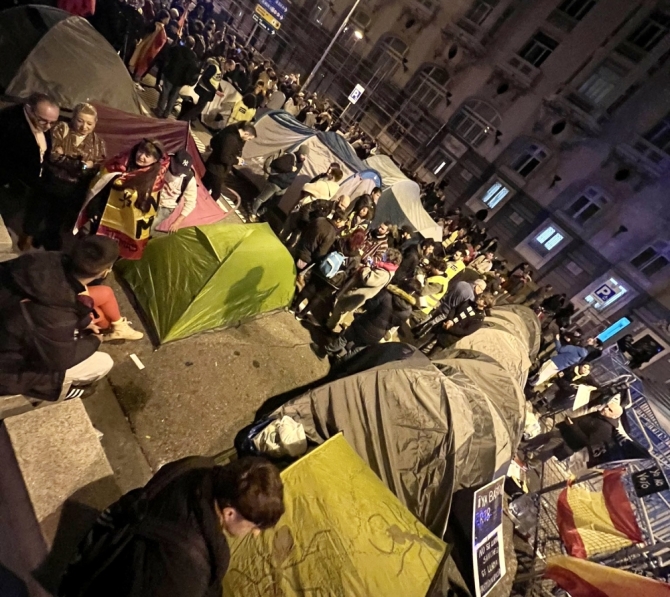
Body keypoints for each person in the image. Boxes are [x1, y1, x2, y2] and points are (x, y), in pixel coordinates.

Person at [58, 455, 285, 597]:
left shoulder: (196, 467)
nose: (256, 534)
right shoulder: (188, 570)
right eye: (256, 526)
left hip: (106, 552)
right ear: (229, 513)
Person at [0, 236, 118, 402]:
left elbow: (63, 302)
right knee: (104, 363)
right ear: (106, 271)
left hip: (8, 328)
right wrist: (95, 340)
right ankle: (68, 391)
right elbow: (60, 360)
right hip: (8, 369)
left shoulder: (39, 260)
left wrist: (83, 321)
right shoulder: (56, 317)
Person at [23, 103, 106, 251]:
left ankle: (48, 237)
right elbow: (54, 156)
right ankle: (27, 236)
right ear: (73, 118)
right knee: (37, 210)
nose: (84, 127)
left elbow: (97, 166)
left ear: (95, 123)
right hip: (50, 181)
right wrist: (83, 165)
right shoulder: (61, 129)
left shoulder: (98, 143)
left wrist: (68, 159)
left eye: (89, 123)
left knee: (57, 217)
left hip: (73, 189)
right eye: (80, 121)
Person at [78, 139, 169, 260]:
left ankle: (102, 268)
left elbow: (148, 207)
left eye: (147, 155)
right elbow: (100, 187)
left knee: (111, 251)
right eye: (141, 151)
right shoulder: (118, 164)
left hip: (126, 222)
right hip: (103, 213)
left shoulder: (154, 179)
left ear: (155, 160)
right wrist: (94, 208)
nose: (141, 157)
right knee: (94, 242)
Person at [323, 282, 417, 359]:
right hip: (377, 334)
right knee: (358, 349)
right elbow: (396, 324)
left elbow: (370, 305)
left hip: (364, 323)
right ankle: (341, 363)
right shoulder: (408, 311)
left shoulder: (387, 294)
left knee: (346, 337)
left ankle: (327, 350)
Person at [520, 401, 623, 463]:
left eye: (609, 409)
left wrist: (572, 426)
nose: (605, 408)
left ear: (614, 416)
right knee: (543, 438)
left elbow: (588, 442)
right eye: (606, 406)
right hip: (565, 431)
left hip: (569, 442)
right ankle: (523, 446)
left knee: (546, 452)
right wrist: (567, 424)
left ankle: (527, 465)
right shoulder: (599, 415)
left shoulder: (605, 428)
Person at [327, 249, 403, 330]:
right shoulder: (386, 268)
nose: (383, 255)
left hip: (356, 294)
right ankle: (332, 322)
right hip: (357, 292)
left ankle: (329, 326)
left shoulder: (385, 273)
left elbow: (368, 279)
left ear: (389, 259)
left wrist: (366, 267)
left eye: (385, 255)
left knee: (339, 307)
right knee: (343, 310)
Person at [0, 93, 59, 195]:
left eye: (52, 122)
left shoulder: (43, 121)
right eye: (43, 121)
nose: (48, 127)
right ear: (28, 109)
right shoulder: (8, 123)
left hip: (30, 186)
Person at [250, 144, 309, 220]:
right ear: (299, 152)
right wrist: (290, 168)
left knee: (274, 203)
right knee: (262, 198)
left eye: (306, 156)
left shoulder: (300, 163)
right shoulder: (290, 157)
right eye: (303, 155)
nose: (304, 157)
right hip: (276, 182)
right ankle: (253, 212)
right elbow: (277, 163)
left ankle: (260, 213)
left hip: (284, 186)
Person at [203, 123, 257, 200]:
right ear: (246, 133)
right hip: (218, 170)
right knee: (215, 194)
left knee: (204, 186)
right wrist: (236, 161)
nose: (248, 141)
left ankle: (199, 202)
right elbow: (224, 157)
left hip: (212, 165)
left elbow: (215, 142)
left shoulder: (230, 133)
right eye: (249, 139)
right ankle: (206, 208)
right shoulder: (232, 140)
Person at [151, 149, 197, 235]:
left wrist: (177, 222)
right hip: (150, 198)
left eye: (180, 172)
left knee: (149, 226)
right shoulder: (162, 165)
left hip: (165, 207)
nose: (177, 173)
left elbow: (191, 202)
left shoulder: (189, 179)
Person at [156, 36, 200, 119]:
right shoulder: (193, 56)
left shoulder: (177, 49)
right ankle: (167, 113)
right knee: (173, 96)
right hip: (181, 79)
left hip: (171, 74)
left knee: (165, 92)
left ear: (185, 42)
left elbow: (168, 55)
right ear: (192, 46)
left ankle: (159, 110)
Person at [179, 57, 235, 122]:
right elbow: (205, 78)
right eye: (229, 69)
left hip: (207, 91)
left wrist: (219, 89)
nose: (228, 71)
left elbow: (216, 81)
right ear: (227, 64)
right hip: (203, 90)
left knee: (198, 108)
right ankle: (184, 120)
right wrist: (215, 91)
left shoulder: (221, 70)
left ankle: (187, 119)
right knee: (198, 108)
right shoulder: (214, 67)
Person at [530, 335, 598, 387]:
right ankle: (532, 384)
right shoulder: (581, 356)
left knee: (541, 373)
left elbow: (559, 349)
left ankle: (531, 384)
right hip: (560, 367)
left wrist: (557, 339)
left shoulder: (573, 348)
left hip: (555, 361)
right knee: (545, 375)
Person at [129, 9, 170, 81]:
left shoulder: (154, 23)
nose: (168, 20)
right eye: (167, 18)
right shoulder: (159, 27)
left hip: (145, 44)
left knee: (139, 59)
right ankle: (136, 78)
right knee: (143, 63)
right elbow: (160, 40)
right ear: (163, 18)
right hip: (150, 48)